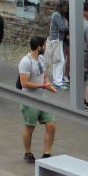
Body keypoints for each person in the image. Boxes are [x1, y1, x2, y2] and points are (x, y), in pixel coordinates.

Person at [19, 35, 58, 163]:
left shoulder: (41, 59)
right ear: (39, 47)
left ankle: (47, 154)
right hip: (30, 101)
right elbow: (24, 83)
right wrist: (43, 85)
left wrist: (49, 85)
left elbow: (44, 75)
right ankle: (28, 152)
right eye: (45, 45)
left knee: (51, 125)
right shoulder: (25, 62)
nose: (46, 48)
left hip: (43, 99)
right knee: (30, 127)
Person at [48, 1, 70, 90]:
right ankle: (58, 82)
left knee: (57, 61)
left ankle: (56, 80)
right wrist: (71, 26)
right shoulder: (57, 15)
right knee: (60, 61)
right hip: (57, 40)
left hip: (56, 40)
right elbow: (62, 27)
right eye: (66, 7)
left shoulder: (56, 14)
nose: (67, 9)